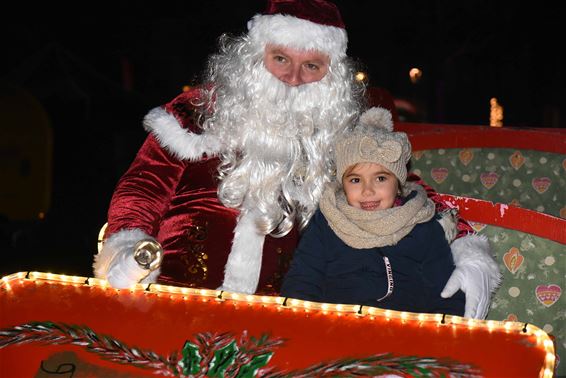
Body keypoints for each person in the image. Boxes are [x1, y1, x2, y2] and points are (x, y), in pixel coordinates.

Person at [93, 0, 501, 319]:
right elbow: (142, 188)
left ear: (331, 73)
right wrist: (130, 241)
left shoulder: (341, 135)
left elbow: (404, 189)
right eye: (281, 59)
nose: (293, 78)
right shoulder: (194, 115)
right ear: (255, 57)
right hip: (173, 301)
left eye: (311, 66)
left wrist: (468, 246)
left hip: (285, 319)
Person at [281, 107, 469, 315]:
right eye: (355, 180)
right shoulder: (326, 222)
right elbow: (302, 281)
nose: (367, 191)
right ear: (342, 185)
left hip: (404, 333)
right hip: (335, 328)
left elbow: (445, 295)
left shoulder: (423, 227)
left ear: (398, 184)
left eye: (380, 178)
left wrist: (441, 337)